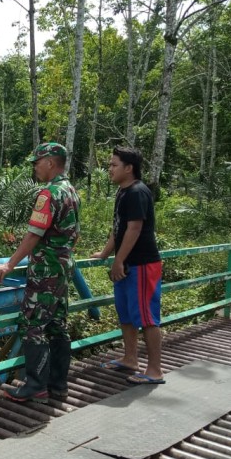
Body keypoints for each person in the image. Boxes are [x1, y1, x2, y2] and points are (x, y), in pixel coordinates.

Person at [0, 142, 81, 402]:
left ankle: (36, 385)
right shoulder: (71, 190)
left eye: (37, 162)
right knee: (57, 325)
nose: (34, 166)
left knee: (32, 324)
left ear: (50, 162)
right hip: (63, 266)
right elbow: (76, 234)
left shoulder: (48, 194)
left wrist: (9, 264)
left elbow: (33, 235)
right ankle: (58, 384)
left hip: (46, 271)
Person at [90, 146, 164, 384]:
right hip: (126, 265)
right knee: (126, 314)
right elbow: (118, 228)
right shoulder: (123, 192)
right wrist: (104, 253)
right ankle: (130, 358)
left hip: (141, 264)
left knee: (147, 317)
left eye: (114, 165)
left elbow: (135, 228)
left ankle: (155, 371)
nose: (109, 169)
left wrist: (119, 260)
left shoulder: (137, 192)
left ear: (128, 168)